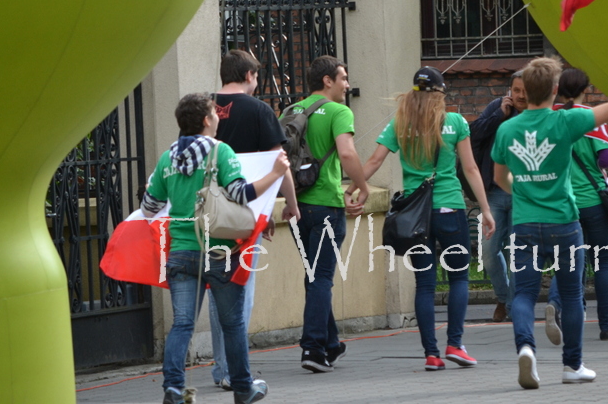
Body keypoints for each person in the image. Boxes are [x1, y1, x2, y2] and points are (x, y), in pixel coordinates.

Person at [492, 57, 608, 389]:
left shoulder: (507, 129)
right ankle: (572, 366)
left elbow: (500, 178)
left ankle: (526, 348)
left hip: (526, 224)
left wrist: (528, 189)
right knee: (572, 295)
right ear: (555, 90)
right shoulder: (566, 120)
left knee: (524, 294)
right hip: (563, 222)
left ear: (524, 90)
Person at [142, 93, 289, 404]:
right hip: (218, 251)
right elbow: (241, 194)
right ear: (207, 120)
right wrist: (275, 174)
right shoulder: (220, 151)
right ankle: (243, 388)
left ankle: (173, 387)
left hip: (180, 251)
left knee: (182, 323)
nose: (219, 116)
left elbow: (149, 207)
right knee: (232, 323)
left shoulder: (167, 159)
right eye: (214, 113)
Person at [346, 66, 495, 372]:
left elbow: (373, 160)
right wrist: (486, 209)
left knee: (424, 285)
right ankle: (455, 344)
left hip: (415, 217)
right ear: (439, 94)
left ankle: (431, 354)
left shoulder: (399, 124)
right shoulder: (454, 122)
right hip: (450, 209)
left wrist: (355, 189)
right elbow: (470, 169)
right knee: (458, 278)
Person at [208, 50, 301, 390]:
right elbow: (280, 163)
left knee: (218, 290)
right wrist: (288, 205)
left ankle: (222, 368)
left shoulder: (203, 109)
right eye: (257, 76)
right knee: (240, 290)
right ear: (248, 75)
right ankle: (235, 370)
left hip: (206, 214)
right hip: (245, 214)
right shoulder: (260, 110)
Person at [285, 55, 370, 373]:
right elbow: (347, 152)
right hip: (326, 206)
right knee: (321, 278)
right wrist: (362, 186)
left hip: (297, 208)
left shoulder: (290, 111)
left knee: (313, 277)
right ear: (327, 81)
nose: (347, 85)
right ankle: (313, 348)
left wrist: (288, 201)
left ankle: (331, 344)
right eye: (343, 78)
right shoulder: (339, 112)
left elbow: (280, 162)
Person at [545, 68, 608, 347]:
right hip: (593, 204)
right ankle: (606, 326)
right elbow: (606, 160)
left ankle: (555, 304)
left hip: (562, 204)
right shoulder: (591, 117)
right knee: (602, 263)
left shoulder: (549, 118)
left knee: (567, 261)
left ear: (558, 89)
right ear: (585, 90)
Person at [469, 70, 527, 322]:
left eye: (525, 90)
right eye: (516, 90)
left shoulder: (538, 113)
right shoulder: (497, 108)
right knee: (488, 252)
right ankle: (502, 297)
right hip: (493, 192)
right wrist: (498, 116)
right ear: (510, 91)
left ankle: (513, 306)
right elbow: (473, 135)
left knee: (519, 252)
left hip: (524, 195)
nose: (521, 95)